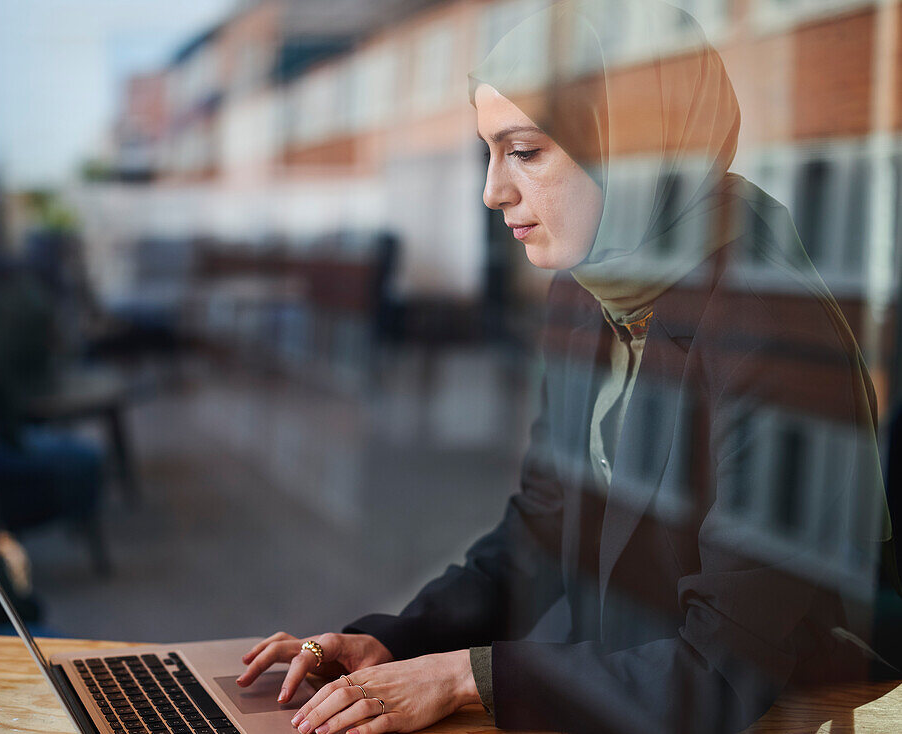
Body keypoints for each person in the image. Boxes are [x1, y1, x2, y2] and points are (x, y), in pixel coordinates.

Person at [235, 1, 896, 732]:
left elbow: (722, 669)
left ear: (628, 151)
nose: (493, 191)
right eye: (489, 152)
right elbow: (542, 530)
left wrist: (464, 676)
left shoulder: (769, 322)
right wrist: (398, 639)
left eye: (525, 151)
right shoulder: (587, 294)